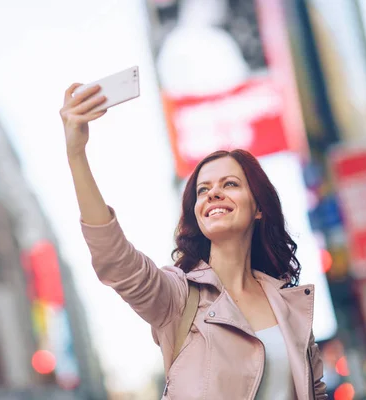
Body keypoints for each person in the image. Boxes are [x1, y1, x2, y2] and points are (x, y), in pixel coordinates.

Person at [60, 83, 327, 399]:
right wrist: (76, 155)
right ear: (197, 213)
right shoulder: (178, 297)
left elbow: (315, 392)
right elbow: (117, 262)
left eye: (230, 184)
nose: (214, 193)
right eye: (203, 190)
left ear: (258, 207)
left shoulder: (289, 302)